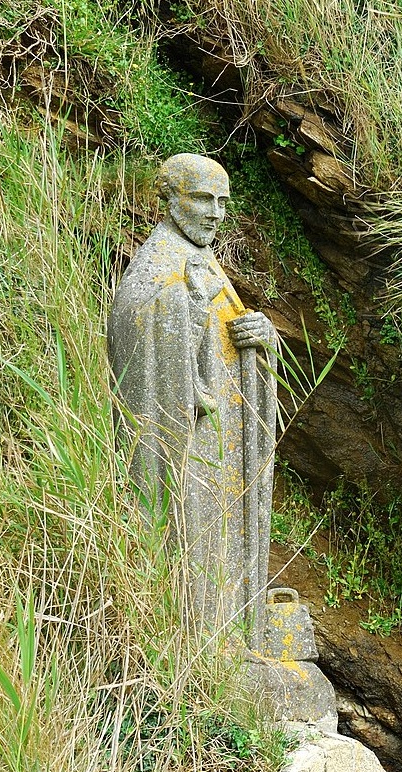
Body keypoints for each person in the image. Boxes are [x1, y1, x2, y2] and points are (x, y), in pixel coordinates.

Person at [107, 153, 276, 650]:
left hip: (219, 442)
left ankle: (230, 646)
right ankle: (191, 655)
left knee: (218, 551)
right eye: (202, 198)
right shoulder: (157, 265)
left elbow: (235, 339)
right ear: (169, 199)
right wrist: (191, 312)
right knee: (192, 548)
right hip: (186, 446)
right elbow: (135, 321)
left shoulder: (204, 263)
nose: (215, 213)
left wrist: (262, 338)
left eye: (222, 202)